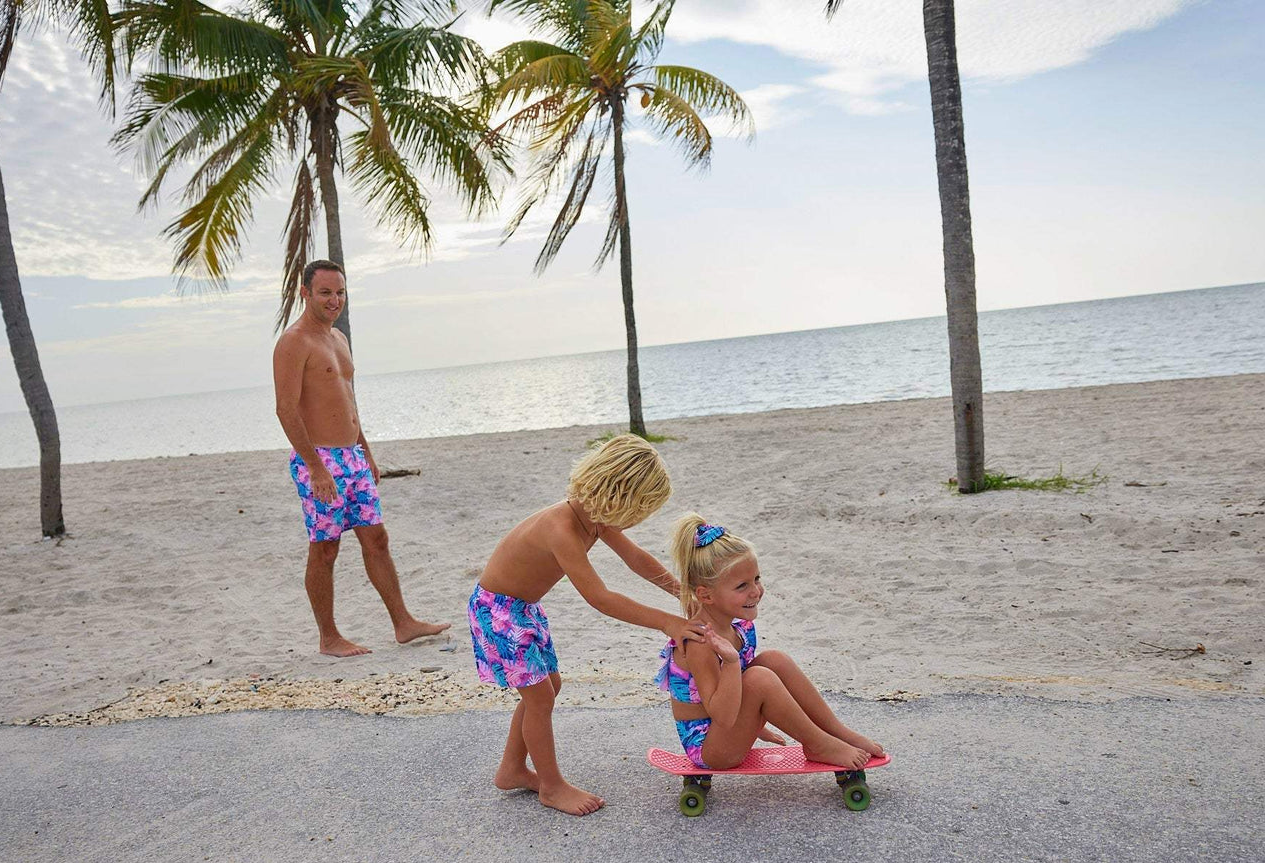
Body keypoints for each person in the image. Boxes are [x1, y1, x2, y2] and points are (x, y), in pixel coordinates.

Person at [469, 435, 709, 816]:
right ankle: (551, 787)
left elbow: (636, 558)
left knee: (549, 687)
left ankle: (512, 769)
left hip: (523, 608)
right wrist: (669, 623)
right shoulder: (561, 528)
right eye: (637, 513)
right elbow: (599, 597)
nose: (633, 523)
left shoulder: (594, 517)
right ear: (618, 499)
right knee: (539, 697)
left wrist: (678, 591)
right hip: (498, 613)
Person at [273, 259, 450, 657]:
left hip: (352, 457)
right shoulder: (293, 342)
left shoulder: (339, 340)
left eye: (340, 292)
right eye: (325, 292)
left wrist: (366, 451)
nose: (334, 300)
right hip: (318, 459)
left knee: (377, 539)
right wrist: (315, 467)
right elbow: (286, 409)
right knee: (326, 547)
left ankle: (403, 623)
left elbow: (348, 402)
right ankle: (329, 637)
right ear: (305, 293)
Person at [655, 513, 886, 770]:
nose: (756, 591)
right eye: (742, 586)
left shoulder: (737, 627)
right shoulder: (699, 644)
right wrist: (731, 661)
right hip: (710, 749)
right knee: (760, 678)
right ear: (705, 595)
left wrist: (755, 719)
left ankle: (837, 732)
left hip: (728, 730)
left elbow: (741, 692)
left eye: (757, 579)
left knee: (774, 660)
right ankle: (818, 743)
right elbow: (722, 714)